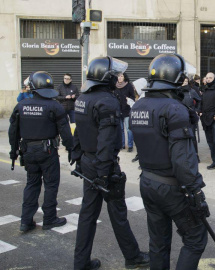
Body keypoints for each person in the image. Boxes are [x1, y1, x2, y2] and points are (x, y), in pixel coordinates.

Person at [130, 53, 209, 270]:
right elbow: (182, 159)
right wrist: (195, 192)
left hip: (147, 181)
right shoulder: (174, 109)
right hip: (172, 187)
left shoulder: (138, 106)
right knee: (195, 238)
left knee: (158, 242)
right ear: (176, 78)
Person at [71, 56, 149, 270]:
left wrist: (78, 159)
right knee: (118, 213)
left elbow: (78, 131)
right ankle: (132, 257)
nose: (116, 77)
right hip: (103, 164)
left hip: (87, 160)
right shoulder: (107, 101)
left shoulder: (83, 97)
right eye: (113, 74)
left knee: (87, 213)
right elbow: (106, 141)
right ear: (106, 77)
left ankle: (81, 263)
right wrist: (105, 174)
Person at [8, 71, 73, 232]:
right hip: (48, 152)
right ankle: (49, 218)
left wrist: (14, 150)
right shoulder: (54, 106)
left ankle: (26, 220)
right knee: (51, 185)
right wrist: (71, 149)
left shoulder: (21, 106)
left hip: (28, 151)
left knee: (32, 183)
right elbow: (65, 131)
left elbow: (13, 131)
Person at [113, 73, 136, 152]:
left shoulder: (129, 86)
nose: (120, 77)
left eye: (121, 76)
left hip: (127, 110)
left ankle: (130, 145)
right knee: (120, 129)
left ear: (125, 77)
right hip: (118, 110)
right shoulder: (115, 86)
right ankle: (121, 145)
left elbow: (133, 97)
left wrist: (128, 100)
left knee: (129, 129)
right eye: (118, 76)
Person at [180, 77, 202, 158]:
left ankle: (195, 155)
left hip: (191, 116)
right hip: (179, 117)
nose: (184, 83)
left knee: (192, 136)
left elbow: (199, 100)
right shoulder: (177, 92)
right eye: (183, 81)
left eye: (186, 81)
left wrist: (197, 110)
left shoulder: (192, 91)